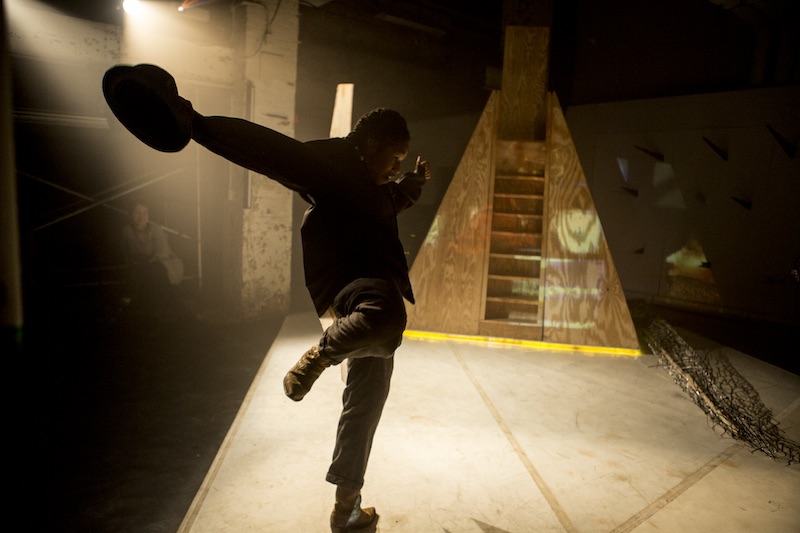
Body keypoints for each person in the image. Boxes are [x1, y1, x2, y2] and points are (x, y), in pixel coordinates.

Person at [103, 64, 432, 533]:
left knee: (365, 403)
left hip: (360, 306)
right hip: (352, 294)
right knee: (388, 318)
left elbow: (391, 201)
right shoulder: (336, 167)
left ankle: (348, 508)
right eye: (394, 158)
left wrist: (412, 183)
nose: (396, 168)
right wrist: (195, 124)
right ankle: (319, 356)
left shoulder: (375, 188)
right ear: (369, 145)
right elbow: (272, 152)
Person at [120, 200, 184, 314]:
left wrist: (143, 264)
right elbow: (127, 255)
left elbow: (162, 253)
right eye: (137, 213)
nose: (141, 217)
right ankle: (140, 308)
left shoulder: (155, 229)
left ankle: (128, 298)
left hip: (167, 266)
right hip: (141, 268)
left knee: (146, 272)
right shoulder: (126, 231)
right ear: (129, 214)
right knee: (139, 273)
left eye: (145, 213)